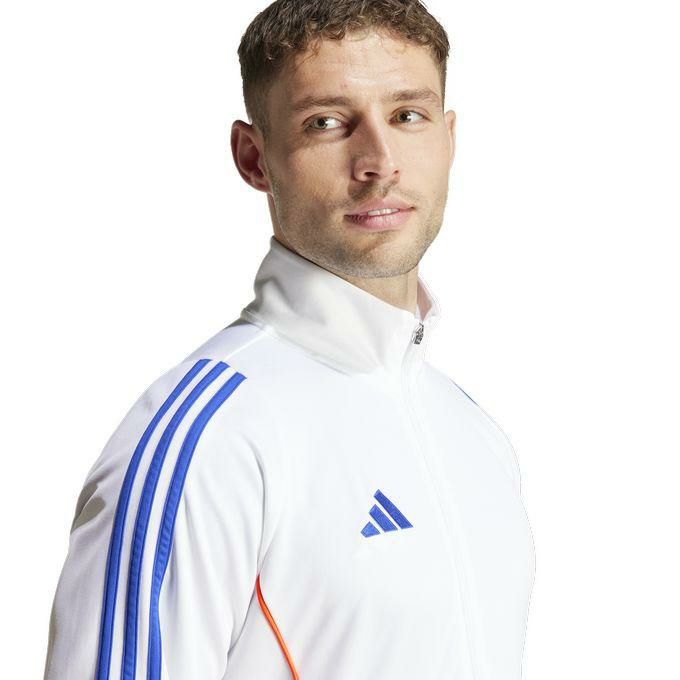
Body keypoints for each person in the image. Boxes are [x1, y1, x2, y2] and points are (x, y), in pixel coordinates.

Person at [43, 1, 536, 678]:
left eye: (407, 115)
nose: (379, 162)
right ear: (254, 157)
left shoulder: (476, 434)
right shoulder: (211, 441)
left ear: (448, 139)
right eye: (326, 123)